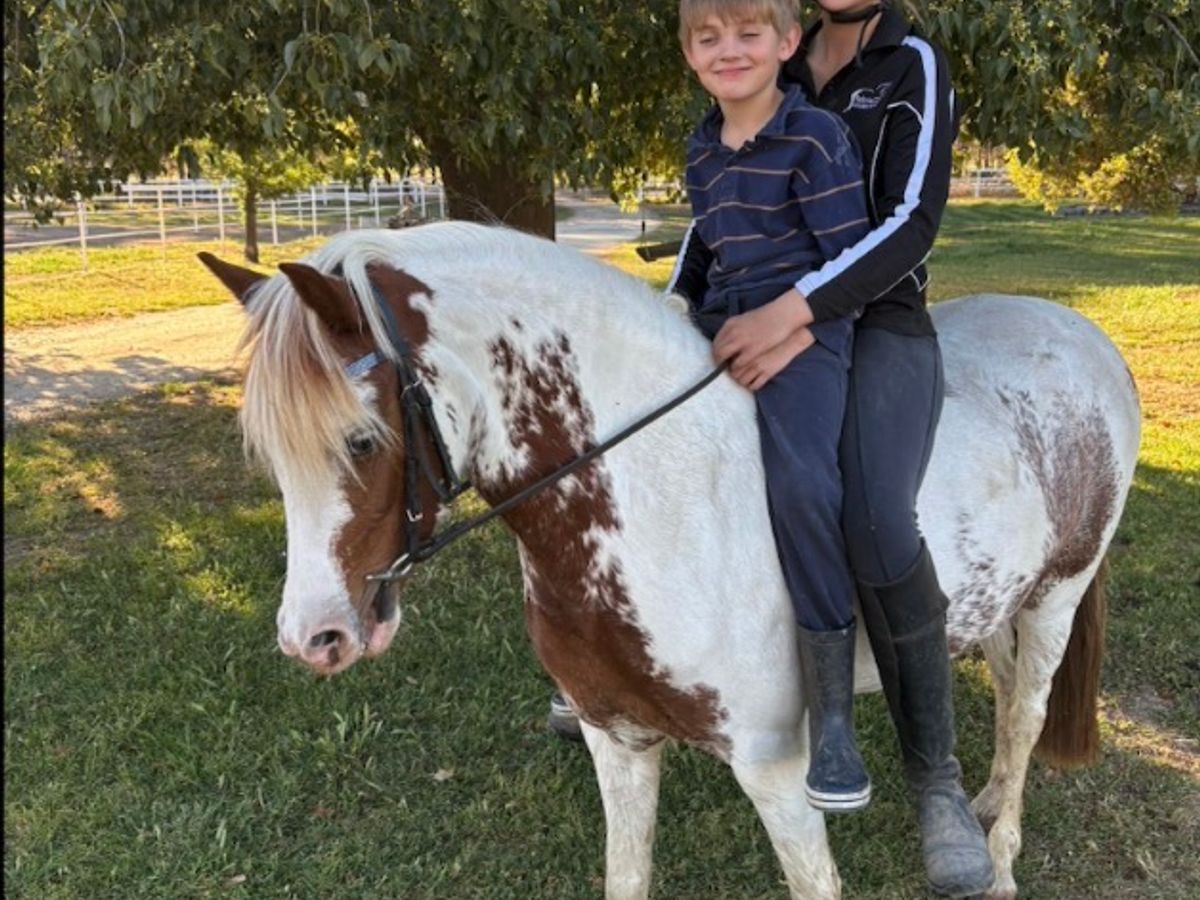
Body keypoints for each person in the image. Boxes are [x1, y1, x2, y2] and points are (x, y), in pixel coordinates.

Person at [551, 0, 995, 895]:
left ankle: (936, 780)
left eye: (743, 36)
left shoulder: (910, 63)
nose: (729, 50)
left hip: (876, 323)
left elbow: (909, 223)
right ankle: (633, 653)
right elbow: (720, 222)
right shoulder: (770, 65)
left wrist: (792, 319)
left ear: (776, 35)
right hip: (756, 314)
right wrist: (673, 311)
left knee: (874, 517)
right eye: (709, 40)